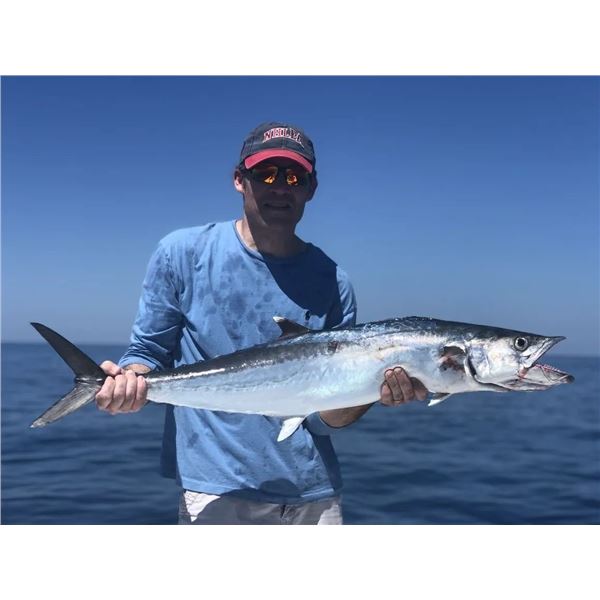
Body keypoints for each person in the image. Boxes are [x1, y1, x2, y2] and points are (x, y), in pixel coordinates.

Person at [95, 121, 428, 525]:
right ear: (240, 180)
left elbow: (325, 420)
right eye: (266, 174)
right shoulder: (182, 253)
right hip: (217, 491)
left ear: (311, 188)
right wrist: (127, 384)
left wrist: (373, 390)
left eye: (294, 177)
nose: (280, 187)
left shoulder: (333, 281)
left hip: (314, 495)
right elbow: (147, 352)